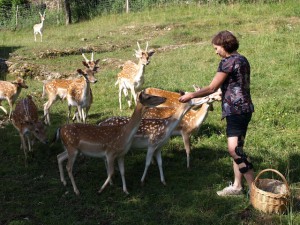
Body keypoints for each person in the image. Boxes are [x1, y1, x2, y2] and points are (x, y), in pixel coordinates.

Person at [179, 30, 254, 196]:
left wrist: (191, 95)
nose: (216, 52)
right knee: (238, 148)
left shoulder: (227, 62)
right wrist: (223, 94)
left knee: (235, 150)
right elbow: (236, 85)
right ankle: (237, 186)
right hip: (245, 108)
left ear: (224, 45)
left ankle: (253, 189)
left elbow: (212, 87)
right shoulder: (242, 59)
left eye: (216, 48)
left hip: (235, 111)